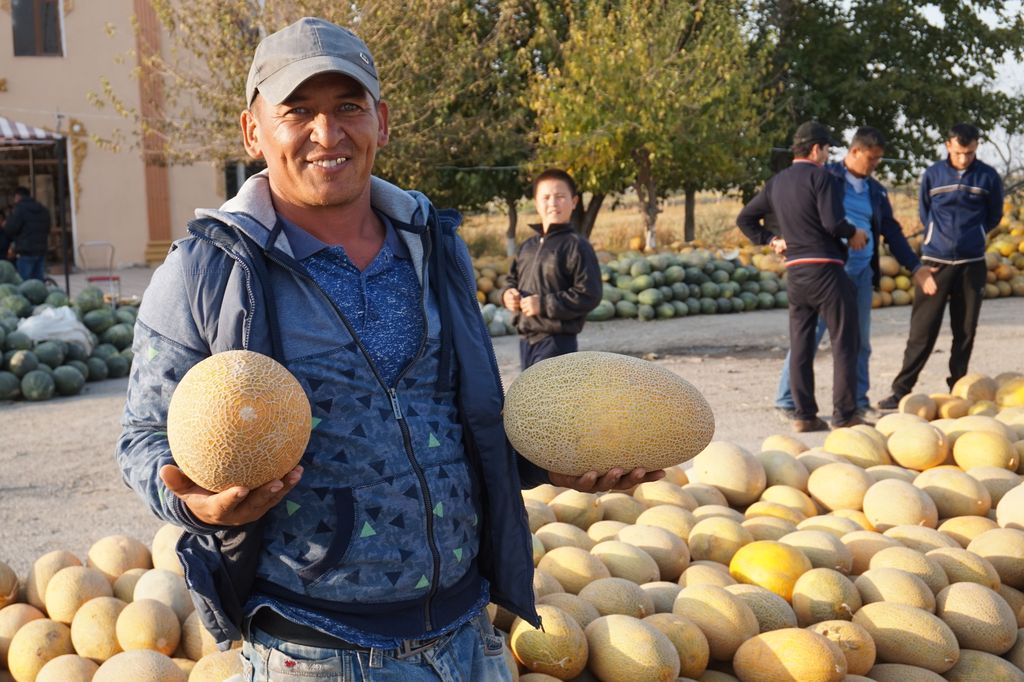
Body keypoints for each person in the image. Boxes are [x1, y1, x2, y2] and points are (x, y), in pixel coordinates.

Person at [116, 17, 660, 682]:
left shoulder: (435, 244)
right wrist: (194, 505)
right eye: (299, 112)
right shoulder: (205, 270)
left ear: (382, 120)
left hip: (468, 635)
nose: (327, 133)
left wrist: (559, 455)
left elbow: (449, 426)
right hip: (315, 652)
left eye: (348, 106)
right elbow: (143, 438)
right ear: (253, 131)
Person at [774, 127, 938, 421]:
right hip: (826, 269)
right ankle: (789, 400)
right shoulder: (826, 176)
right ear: (854, 152)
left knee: (858, 341)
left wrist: (915, 266)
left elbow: (892, 232)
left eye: (879, 160)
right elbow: (794, 205)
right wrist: (780, 237)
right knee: (808, 336)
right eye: (871, 158)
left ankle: (857, 400)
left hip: (860, 272)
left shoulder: (875, 191)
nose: (875, 164)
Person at [737, 121, 869, 432]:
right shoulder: (822, 178)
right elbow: (832, 223)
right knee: (844, 342)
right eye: (826, 148)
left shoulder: (777, 182)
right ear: (815, 149)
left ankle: (804, 415)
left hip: (796, 272)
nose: (827, 154)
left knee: (801, 345)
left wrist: (772, 239)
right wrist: (855, 233)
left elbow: (744, 218)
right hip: (826, 269)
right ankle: (845, 415)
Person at [877, 123, 1004, 409]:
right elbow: (925, 212)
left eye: (969, 153)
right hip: (935, 263)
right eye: (959, 152)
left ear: (976, 147)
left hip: (972, 264)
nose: (963, 159)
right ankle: (901, 390)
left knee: (965, 330)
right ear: (948, 145)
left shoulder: (988, 176)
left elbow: (994, 214)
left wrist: (977, 234)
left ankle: (958, 387)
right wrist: (937, 238)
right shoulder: (933, 174)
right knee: (922, 331)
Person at [502, 169, 602, 369]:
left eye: (560, 197)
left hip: (557, 341)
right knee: (530, 398)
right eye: (546, 197)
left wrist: (544, 304)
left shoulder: (577, 246)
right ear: (536, 203)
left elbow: (590, 294)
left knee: (549, 399)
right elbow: (512, 279)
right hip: (526, 339)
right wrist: (506, 294)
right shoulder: (528, 245)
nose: (553, 203)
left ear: (573, 202)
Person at [2, 186, 50, 280]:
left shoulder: (19, 210)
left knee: (24, 284)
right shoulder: (43, 209)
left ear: (17, 196)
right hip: (41, 250)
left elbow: (11, 229)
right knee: (38, 283)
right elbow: (47, 228)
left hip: (25, 252)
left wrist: (5, 225)